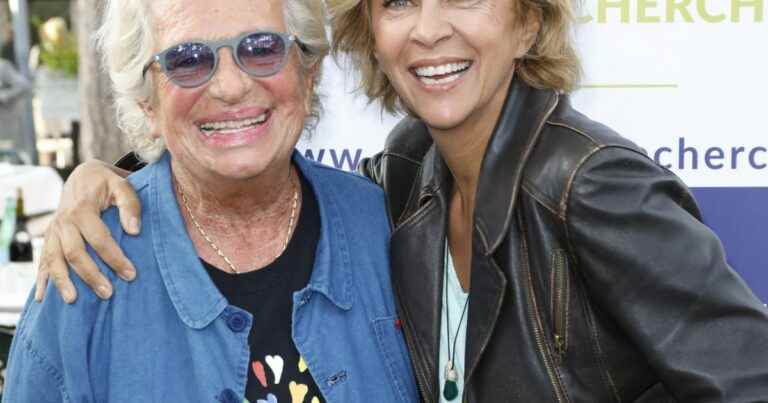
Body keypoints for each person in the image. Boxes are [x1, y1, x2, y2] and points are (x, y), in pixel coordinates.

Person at [33, 0, 768, 401]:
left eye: (261, 48)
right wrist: (101, 174)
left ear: (529, 20)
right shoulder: (405, 181)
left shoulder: (588, 183)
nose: (428, 27)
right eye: (399, 0)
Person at [1, 1, 418, 402]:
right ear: (148, 102)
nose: (231, 87)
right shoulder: (83, 268)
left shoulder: (388, 226)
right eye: (187, 59)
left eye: (261, 48)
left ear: (308, 73)